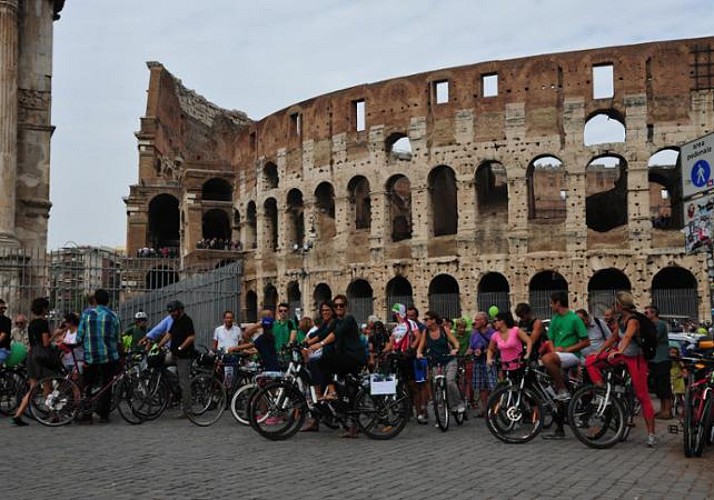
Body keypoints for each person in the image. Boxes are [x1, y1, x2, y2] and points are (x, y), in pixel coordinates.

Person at [586, 291, 656, 447]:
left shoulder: (633, 320)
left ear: (620, 305)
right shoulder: (620, 319)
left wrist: (619, 350)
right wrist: (599, 352)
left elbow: (627, 337)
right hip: (623, 356)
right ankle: (601, 388)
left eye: (614, 304)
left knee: (642, 395)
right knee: (590, 361)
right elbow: (613, 337)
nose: (613, 306)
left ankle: (651, 433)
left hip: (636, 359)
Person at [306, 295, 366, 438]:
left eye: (341, 305)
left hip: (354, 357)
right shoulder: (336, 321)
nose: (338, 308)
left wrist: (319, 345)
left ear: (346, 307)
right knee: (347, 392)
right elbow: (323, 333)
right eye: (336, 306)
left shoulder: (348, 320)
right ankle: (348, 420)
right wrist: (306, 343)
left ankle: (333, 393)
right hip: (345, 358)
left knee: (324, 361)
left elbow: (335, 334)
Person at [540, 290, 589, 440]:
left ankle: (562, 389)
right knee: (555, 396)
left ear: (558, 303)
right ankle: (559, 429)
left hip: (572, 355)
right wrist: (554, 351)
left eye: (551, 302)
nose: (550, 305)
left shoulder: (574, 319)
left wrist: (566, 349)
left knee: (547, 360)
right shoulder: (555, 319)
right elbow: (551, 340)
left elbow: (585, 342)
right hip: (558, 356)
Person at [76, 288, 122, 423]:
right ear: (108, 301)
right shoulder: (114, 316)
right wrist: (121, 356)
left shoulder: (86, 315)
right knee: (107, 385)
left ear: (95, 300)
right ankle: (104, 414)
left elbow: (79, 337)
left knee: (87, 385)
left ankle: (86, 415)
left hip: (90, 356)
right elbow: (118, 339)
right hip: (109, 357)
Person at [12, 297, 57, 426]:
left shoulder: (31, 323)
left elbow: (32, 343)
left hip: (32, 356)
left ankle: (18, 414)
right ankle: (53, 415)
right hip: (41, 357)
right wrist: (56, 334)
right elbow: (46, 343)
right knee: (47, 387)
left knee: (33, 388)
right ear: (43, 308)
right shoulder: (43, 323)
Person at [384, 303, 426, 423]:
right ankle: (407, 411)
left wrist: (411, 348)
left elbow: (418, 337)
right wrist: (382, 352)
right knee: (402, 386)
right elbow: (391, 342)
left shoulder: (411, 323)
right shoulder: (396, 327)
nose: (394, 315)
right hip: (398, 357)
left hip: (408, 357)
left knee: (413, 386)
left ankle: (419, 413)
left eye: (395, 313)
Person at [416, 311, 464, 414]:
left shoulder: (443, 330)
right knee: (436, 387)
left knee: (450, 382)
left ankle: (458, 403)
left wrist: (455, 349)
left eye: (426, 319)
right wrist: (419, 353)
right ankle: (441, 414)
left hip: (448, 359)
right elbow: (420, 347)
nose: (425, 321)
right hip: (435, 362)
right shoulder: (425, 332)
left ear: (433, 320)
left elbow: (455, 342)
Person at [156, 300, 195, 416]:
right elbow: (169, 334)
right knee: (158, 362)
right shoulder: (175, 321)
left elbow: (191, 337)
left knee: (184, 382)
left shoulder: (187, 321)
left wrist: (180, 348)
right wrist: (159, 345)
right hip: (174, 355)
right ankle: (174, 384)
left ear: (180, 310)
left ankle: (187, 411)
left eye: (173, 311)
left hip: (184, 356)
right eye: (170, 312)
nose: (171, 314)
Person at [487, 312, 532, 383]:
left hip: (519, 364)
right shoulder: (495, 335)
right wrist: (489, 359)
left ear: (502, 321)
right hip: (506, 366)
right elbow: (490, 349)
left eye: (495, 321)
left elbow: (528, 340)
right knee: (509, 388)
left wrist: (527, 353)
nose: (494, 323)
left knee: (523, 387)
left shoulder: (515, 330)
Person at [467, 311, 496, 417]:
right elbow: (470, 346)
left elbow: (495, 347)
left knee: (492, 385)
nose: (475, 322)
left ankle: (494, 408)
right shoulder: (474, 333)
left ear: (484, 321)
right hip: (478, 362)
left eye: (477, 320)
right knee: (481, 387)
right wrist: (470, 351)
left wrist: (484, 351)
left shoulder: (492, 333)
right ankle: (484, 409)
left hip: (489, 361)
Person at [645, 305, 673, 419]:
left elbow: (654, 338)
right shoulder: (650, 325)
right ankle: (662, 409)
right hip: (654, 359)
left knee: (664, 385)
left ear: (654, 313)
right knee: (658, 386)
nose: (645, 315)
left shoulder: (660, 324)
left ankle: (668, 410)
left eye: (647, 313)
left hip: (662, 359)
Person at [212, 310, 243, 386]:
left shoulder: (237, 330)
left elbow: (240, 344)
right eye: (227, 318)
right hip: (222, 357)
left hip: (233, 357)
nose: (229, 320)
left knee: (233, 378)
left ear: (233, 319)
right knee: (221, 378)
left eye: (231, 318)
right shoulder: (218, 330)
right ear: (224, 319)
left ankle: (232, 394)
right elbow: (214, 345)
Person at [453, 317, 475, 407]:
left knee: (469, 380)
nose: (462, 329)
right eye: (460, 327)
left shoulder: (469, 334)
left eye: (463, 327)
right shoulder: (453, 335)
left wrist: (469, 350)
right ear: (457, 327)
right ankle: (458, 398)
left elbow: (471, 344)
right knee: (458, 380)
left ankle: (471, 400)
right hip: (457, 359)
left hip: (468, 358)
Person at [669, 346, 685, 417]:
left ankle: (684, 410)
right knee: (670, 395)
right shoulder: (668, 360)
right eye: (672, 352)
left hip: (678, 378)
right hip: (671, 377)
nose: (673, 354)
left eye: (675, 353)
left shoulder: (679, 361)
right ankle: (671, 409)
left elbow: (683, 367)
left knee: (680, 395)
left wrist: (678, 360)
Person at [0, 299, 11, 365]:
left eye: (4, 308)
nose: (3, 310)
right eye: (1, 308)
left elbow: (3, 336)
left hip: (3, 349)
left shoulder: (6, 321)